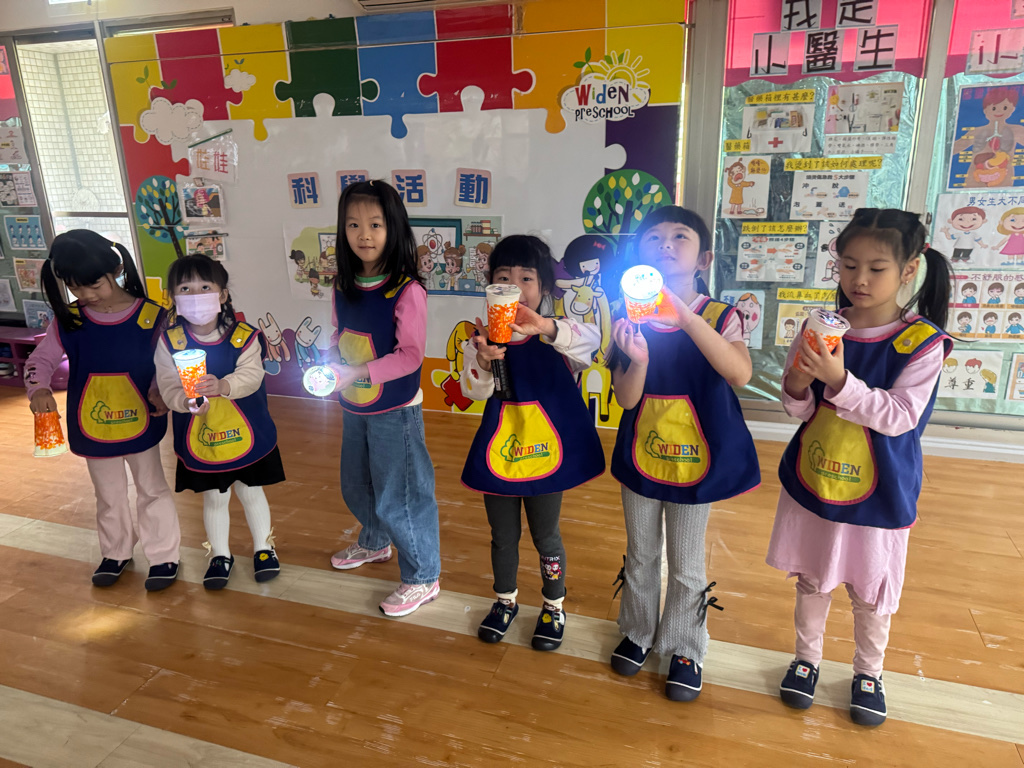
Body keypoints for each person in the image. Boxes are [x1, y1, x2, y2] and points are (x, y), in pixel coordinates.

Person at [770, 208, 952, 727]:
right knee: (812, 578)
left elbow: (899, 417)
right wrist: (798, 385)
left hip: (880, 488)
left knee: (871, 589)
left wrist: (838, 378)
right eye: (849, 266)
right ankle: (806, 659)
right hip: (816, 475)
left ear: (909, 269)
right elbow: (800, 409)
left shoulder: (921, 342)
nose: (860, 280)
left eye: (876, 268)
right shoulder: (823, 328)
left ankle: (869, 672)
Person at [606, 206, 760, 702]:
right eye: (653, 238)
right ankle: (638, 631)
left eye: (679, 236)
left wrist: (686, 317)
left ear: (703, 258)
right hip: (642, 451)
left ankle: (685, 646)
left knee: (687, 561)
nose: (666, 245)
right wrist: (639, 358)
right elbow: (626, 398)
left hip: (699, 459)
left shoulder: (721, 315)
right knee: (641, 552)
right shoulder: (627, 313)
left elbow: (739, 373)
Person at [460, 235, 605, 650]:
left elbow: (591, 342)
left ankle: (554, 605)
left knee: (546, 536)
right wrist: (483, 360)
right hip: (500, 453)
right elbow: (474, 392)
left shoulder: (557, 333)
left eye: (526, 278)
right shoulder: (482, 340)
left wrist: (543, 326)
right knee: (502, 535)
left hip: (546, 454)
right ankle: (505, 600)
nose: (515, 286)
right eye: (504, 277)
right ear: (491, 285)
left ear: (543, 287)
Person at [26, 230, 180, 590]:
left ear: (117, 268)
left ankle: (163, 556)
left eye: (94, 284)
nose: (86, 295)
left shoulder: (152, 317)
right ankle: (116, 552)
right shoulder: (70, 320)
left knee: (152, 489)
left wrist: (160, 390)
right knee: (108, 495)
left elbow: (169, 364)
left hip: (141, 420)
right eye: (75, 287)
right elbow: (41, 360)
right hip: (92, 425)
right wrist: (39, 388)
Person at [327, 180, 441, 618]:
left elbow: (410, 356)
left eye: (375, 224)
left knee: (403, 496)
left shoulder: (407, 289)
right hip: (354, 404)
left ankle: (423, 576)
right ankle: (374, 542)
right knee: (357, 483)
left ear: (393, 228)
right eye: (353, 224)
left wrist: (356, 372)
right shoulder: (343, 283)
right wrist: (330, 362)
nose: (364, 234)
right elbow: (338, 333)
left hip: (395, 410)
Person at [156, 255, 283, 590]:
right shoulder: (170, 342)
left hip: (248, 435)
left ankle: (264, 548)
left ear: (222, 294)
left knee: (251, 491)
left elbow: (252, 376)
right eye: (185, 288)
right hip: (202, 438)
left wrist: (224, 385)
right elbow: (168, 385)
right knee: (214, 497)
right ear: (173, 297)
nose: (195, 295)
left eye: (205, 287)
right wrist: (184, 402)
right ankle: (220, 555)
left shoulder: (244, 337)